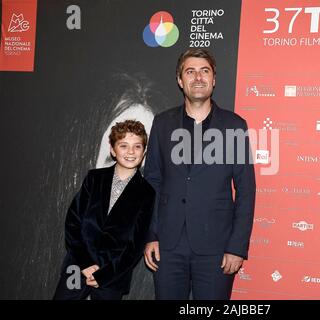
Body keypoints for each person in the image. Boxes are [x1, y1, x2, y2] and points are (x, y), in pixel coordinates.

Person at [143, 48, 256, 300]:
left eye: (205, 71)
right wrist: (150, 235)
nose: (198, 77)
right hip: (168, 246)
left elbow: (246, 190)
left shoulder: (234, 125)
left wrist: (237, 247)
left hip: (216, 247)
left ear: (214, 79)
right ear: (180, 80)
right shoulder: (162, 123)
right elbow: (153, 182)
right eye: (190, 71)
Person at [53, 120, 155, 300]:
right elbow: (73, 223)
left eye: (137, 146)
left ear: (144, 152)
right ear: (113, 150)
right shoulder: (94, 179)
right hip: (77, 267)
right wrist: (85, 263)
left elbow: (135, 246)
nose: (130, 152)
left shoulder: (147, 193)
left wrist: (105, 275)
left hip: (112, 276)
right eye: (123, 145)